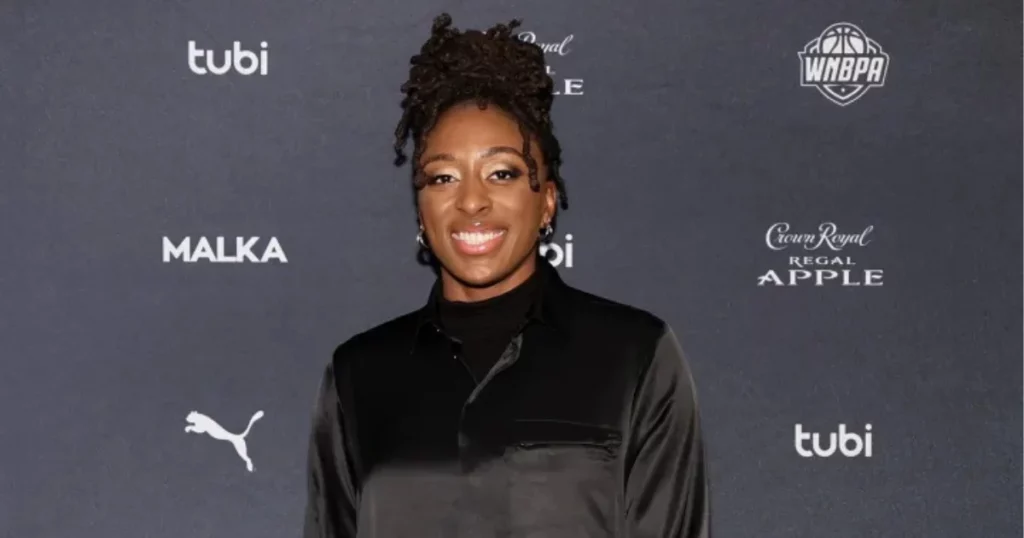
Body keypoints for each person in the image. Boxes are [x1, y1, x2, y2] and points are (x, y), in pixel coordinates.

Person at [303, 13, 710, 538]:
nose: (472, 200)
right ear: (421, 209)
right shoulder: (357, 375)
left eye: (502, 173)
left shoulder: (636, 356)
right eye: (443, 177)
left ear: (547, 201)